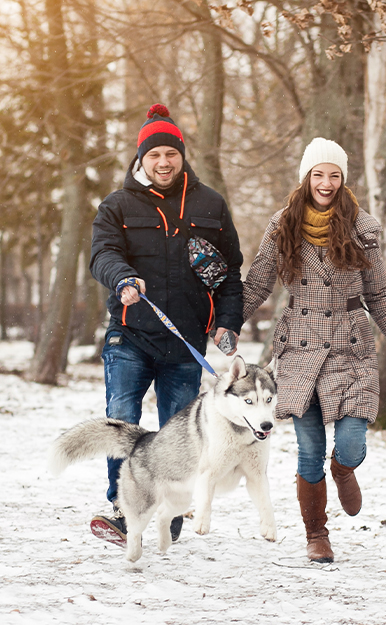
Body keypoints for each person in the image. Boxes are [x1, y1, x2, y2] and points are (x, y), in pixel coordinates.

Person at [241, 137, 386, 563]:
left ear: (342, 180)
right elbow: (258, 284)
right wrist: (225, 324)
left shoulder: (363, 228)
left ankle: (343, 469)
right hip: (299, 346)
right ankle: (316, 535)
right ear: (307, 177)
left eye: (334, 175)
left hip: (350, 346)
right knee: (307, 451)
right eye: (318, 174)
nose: (326, 182)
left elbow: (380, 296)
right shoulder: (282, 224)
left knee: (353, 444)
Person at [88, 104, 244, 545]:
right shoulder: (117, 205)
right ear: (141, 159)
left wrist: (227, 323)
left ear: (181, 155)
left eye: (169, 154)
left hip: (185, 341)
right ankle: (124, 508)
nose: (162, 162)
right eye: (153, 155)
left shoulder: (210, 204)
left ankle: (169, 508)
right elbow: (101, 255)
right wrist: (122, 278)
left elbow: (230, 272)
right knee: (122, 417)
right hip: (130, 333)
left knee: (178, 433)